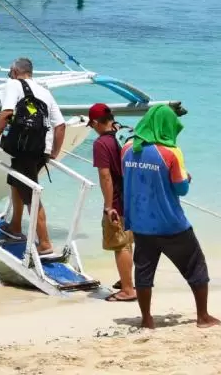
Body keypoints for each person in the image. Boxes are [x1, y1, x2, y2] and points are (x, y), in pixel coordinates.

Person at [122, 104, 221, 329]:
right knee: (196, 267)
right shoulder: (170, 153)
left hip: (140, 223)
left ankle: (147, 320)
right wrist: (186, 177)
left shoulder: (127, 149)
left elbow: (130, 179)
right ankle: (203, 317)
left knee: (144, 272)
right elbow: (181, 189)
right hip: (171, 224)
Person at [0, 57, 64, 259]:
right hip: (40, 149)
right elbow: (60, 126)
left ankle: (45, 243)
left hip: (24, 149)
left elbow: (7, 113)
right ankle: (15, 226)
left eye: (10, 71)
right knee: (17, 182)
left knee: (31, 195)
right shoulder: (45, 92)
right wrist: (53, 153)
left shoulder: (13, 84)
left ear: (14, 71)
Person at [89, 103, 136, 302]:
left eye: (91, 125)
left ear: (95, 123)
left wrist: (109, 207)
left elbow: (105, 176)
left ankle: (127, 290)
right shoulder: (122, 135)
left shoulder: (101, 144)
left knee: (120, 245)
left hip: (118, 198)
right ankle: (127, 280)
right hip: (134, 195)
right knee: (127, 241)